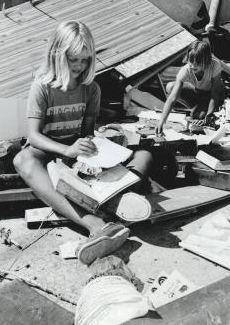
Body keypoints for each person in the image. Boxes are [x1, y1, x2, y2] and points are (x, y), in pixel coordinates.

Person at [14, 20, 153, 265]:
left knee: (144, 154)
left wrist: (93, 145)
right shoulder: (42, 87)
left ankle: (119, 204)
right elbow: (34, 136)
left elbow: (87, 132)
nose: (79, 66)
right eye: (73, 59)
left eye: (85, 59)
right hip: (45, 151)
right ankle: (96, 225)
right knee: (22, 160)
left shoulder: (91, 89)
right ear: (57, 54)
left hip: (74, 154)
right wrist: (66, 149)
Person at [156, 40, 223, 134]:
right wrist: (161, 121)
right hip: (196, 91)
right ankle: (195, 107)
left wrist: (209, 115)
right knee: (170, 87)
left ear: (206, 61)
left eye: (197, 63)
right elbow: (172, 98)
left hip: (209, 94)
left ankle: (199, 110)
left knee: (201, 118)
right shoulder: (186, 69)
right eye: (191, 61)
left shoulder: (215, 66)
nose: (192, 66)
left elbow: (214, 95)